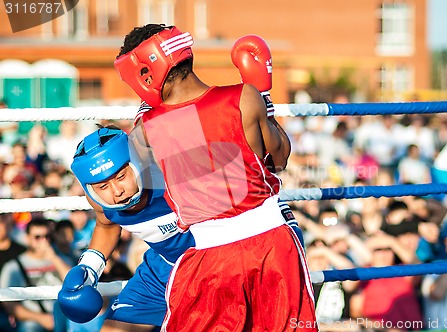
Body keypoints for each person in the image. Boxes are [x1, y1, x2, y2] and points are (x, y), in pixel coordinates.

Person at [114, 25, 316, 331]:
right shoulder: (244, 98)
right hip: (271, 244)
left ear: (147, 67)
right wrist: (264, 101)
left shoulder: (145, 129)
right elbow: (279, 159)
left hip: (210, 256)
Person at [57, 126, 195, 330]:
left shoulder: (171, 175)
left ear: (137, 162)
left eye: (121, 176)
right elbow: (107, 225)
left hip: (213, 263)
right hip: (161, 268)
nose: (117, 191)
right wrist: (90, 267)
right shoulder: (101, 201)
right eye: (103, 186)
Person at [0, 217, 71, 332]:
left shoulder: (61, 259)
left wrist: (54, 258)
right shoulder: (14, 266)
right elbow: (9, 305)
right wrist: (41, 318)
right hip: (33, 320)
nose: (44, 241)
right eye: (37, 237)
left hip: (65, 317)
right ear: (27, 238)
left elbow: (75, 284)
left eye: (47, 236)